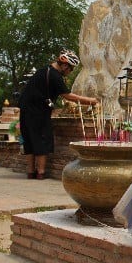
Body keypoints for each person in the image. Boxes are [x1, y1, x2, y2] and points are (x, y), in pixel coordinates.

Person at [19, 50, 98, 179]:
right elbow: (67, 96)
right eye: (70, 69)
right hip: (39, 111)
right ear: (65, 65)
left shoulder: (42, 71)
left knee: (29, 140)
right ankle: (41, 172)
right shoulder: (55, 76)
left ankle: (30, 171)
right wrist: (91, 101)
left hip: (25, 109)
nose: (69, 72)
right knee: (42, 140)